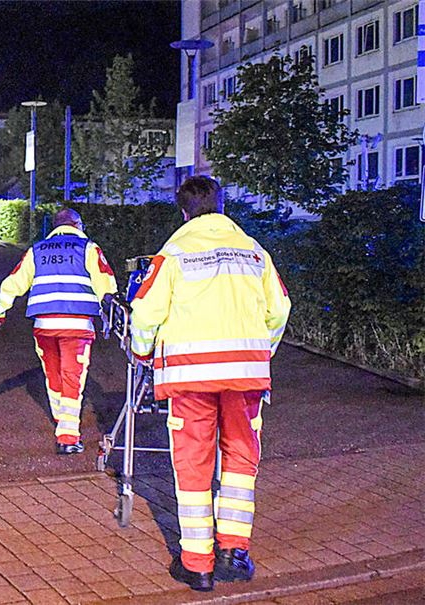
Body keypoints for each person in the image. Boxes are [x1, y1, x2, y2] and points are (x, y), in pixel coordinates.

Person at [129, 176, 291, 592]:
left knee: (193, 464)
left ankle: (197, 565)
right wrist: (259, 352)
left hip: (190, 378)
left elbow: (144, 313)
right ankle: (234, 554)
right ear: (222, 205)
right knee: (240, 461)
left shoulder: (174, 253)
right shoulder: (254, 251)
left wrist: (143, 352)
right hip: (245, 377)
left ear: (183, 211)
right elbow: (279, 309)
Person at [0, 208, 117, 455]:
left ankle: (62, 422)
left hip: (44, 326)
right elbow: (106, 284)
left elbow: (14, 281)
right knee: (73, 376)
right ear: (77, 225)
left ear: (56, 226)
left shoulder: (37, 250)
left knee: (53, 375)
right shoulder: (88, 248)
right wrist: (111, 316)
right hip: (77, 325)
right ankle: (68, 436)